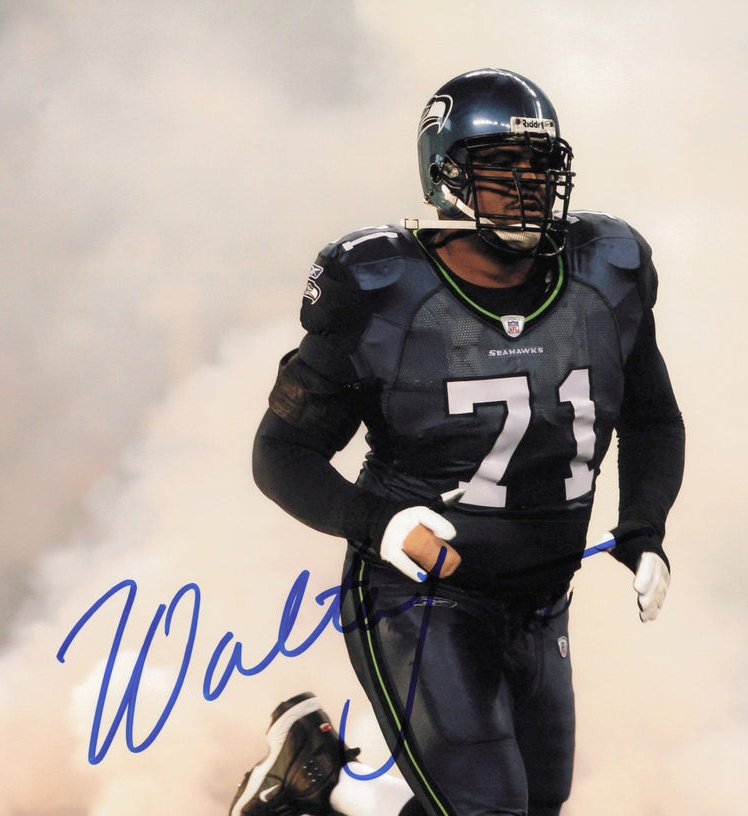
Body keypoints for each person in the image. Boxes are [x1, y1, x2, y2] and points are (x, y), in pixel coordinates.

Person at [230, 67, 685, 816]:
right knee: (487, 808)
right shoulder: (382, 288)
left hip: (542, 600)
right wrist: (381, 525)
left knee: (525, 806)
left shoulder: (607, 272)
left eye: (540, 166)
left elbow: (653, 418)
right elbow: (280, 453)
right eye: (502, 167)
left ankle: (307, 803)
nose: (528, 186)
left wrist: (644, 525)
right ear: (445, 174)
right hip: (420, 595)